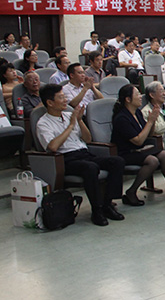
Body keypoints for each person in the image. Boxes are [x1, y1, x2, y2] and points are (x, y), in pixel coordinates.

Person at [37, 84, 125, 226]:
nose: (65, 100)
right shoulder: (43, 123)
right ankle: (96, 210)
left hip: (84, 153)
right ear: (50, 102)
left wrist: (79, 121)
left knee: (117, 161)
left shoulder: (69, 115)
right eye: (61, 97)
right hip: (65, 159)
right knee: (90, 168)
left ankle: (107, 204)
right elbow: (52, 147)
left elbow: (88, 139)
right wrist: (71, 125)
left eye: (64, 96)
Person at [111, 84, 165, 205]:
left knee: (164, 155)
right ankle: (131, 191)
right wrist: (150, 122)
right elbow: (138, 140)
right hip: (126, 152)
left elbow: (148, 135)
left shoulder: (137, 113)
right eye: (137, 94)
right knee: (152, 161)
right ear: (128, 99)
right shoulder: (122, 118)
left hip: (140, 149)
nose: (141, 97)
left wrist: (152, 121)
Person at [141, 81, 165, 155]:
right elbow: (157, 129)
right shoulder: (146, 111)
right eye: (161, 91)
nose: (164, 94)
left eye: (164, 91)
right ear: (152, 95)